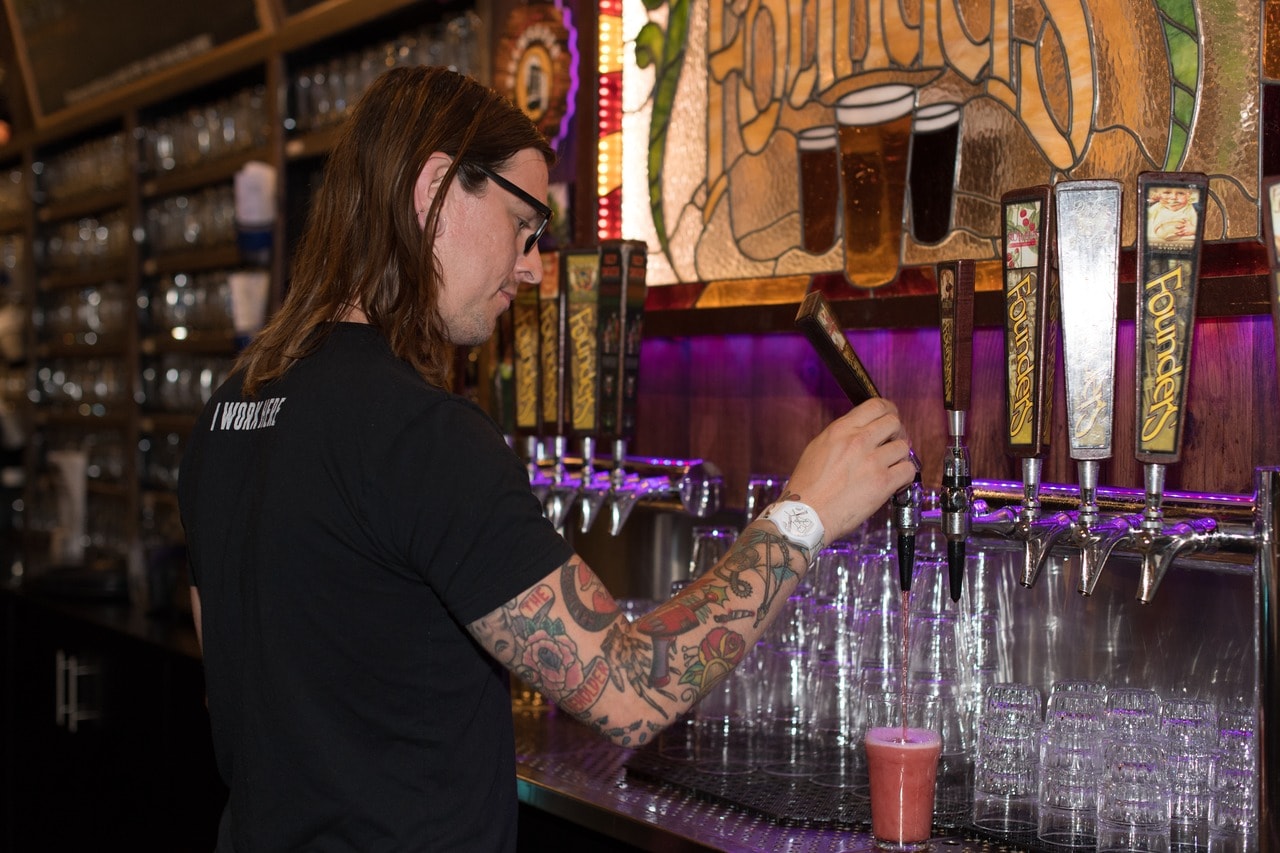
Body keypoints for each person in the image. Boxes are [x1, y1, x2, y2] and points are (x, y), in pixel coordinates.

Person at [178, 65, 915, 852]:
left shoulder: (230, 406)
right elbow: (631, 690)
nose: (531, 268)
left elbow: (236, 683)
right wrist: (803, 516)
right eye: (523, 225)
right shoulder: (419, 433)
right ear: (434, 188)